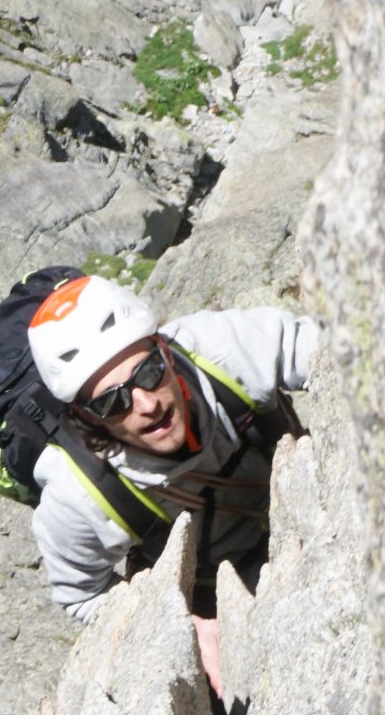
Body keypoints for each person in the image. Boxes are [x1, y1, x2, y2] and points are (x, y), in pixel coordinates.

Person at [22, 273, 319, 693]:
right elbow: (81, 596)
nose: (146, 403)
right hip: (212, 603)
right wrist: (178, 628)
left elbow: (326, 349)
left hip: (310, 514)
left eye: (149, 371)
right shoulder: (78, 494)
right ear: (86, 419)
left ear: (165, 349)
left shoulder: (217, 352)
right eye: (111, 401)